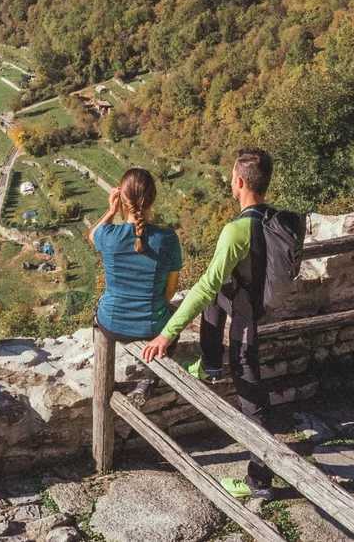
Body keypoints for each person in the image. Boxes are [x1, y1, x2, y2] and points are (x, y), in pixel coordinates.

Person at [141, 148, 276, 499]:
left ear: (240, 182)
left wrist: (167, 334)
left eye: (232, 177)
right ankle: (211, 364)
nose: (231, 182)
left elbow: (203, 287)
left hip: (248, 323)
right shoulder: (275, 219)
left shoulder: (236, 231)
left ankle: (259, 482)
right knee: (219, 296)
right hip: (264, 306)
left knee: (252, 397)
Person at [90, 167, 182, 406]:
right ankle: (148, 381)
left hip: (110, 324)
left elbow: (92, 236)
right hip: (150, 328)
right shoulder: (168, 240)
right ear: (153, 198)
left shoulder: (109, 235)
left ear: (121, 198)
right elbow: (170, 292)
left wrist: (111, 211)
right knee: (174, 321)